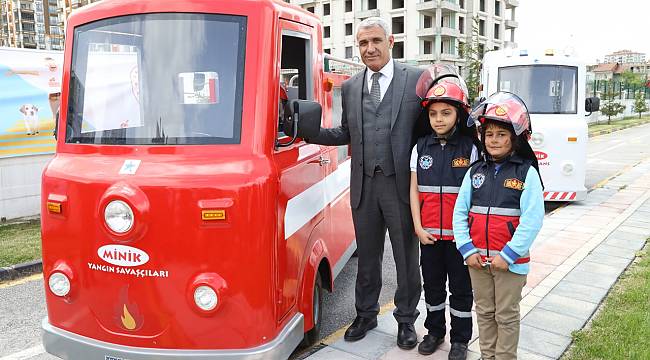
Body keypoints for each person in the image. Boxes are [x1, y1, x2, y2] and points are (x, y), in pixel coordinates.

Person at [307, 17, 423, 349]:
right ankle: (366, 313)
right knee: (368, 257)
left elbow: (430, 130)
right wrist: (308, 129)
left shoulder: (415, 80)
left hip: (401, 186)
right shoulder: (353, 85)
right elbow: (345, 132)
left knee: (405, 257)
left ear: (391, 41)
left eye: (375, 41)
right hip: (364, 186)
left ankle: (405, 319)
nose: (369, 48)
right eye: (362, 43)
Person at [453, 92, 544, 360]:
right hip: (477, 260)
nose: (493, 139)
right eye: (489, 133)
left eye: (501, 134)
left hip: (510, 264)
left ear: (515, 138)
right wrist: (467, 250)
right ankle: (487, 356)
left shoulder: (526, 172)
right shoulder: (475, 171)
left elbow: (532, 219)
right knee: (484, 311)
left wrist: (509, 255)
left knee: (505, 315)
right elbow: (460, 213)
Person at [409, 65, 479, 359]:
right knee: (433, 288)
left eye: (446, 113)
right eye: (433, 114)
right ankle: (434, 332)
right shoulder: (420, 147)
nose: (438, 119)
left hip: (460, 240)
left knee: (461, 290)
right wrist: (417, 226)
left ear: (459, 115)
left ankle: (460, 339)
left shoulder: (470, 148)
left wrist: (467, 237)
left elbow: (476, 196)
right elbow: (413, 190)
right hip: (429, 237)